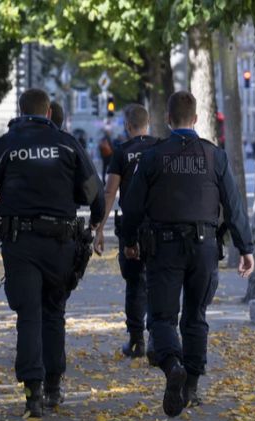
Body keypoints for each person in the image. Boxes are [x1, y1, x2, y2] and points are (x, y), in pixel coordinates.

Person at [0, 88, 104, 417]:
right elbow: (94, 193)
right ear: (48, 113)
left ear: (21, 110)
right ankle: (54, 386)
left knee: (28, 314)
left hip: (20, 242)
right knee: (53, 312)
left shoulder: (6, 145)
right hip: (61, 242)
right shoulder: (67, 144)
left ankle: (32, 391)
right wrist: (96, 219)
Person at [121, 91, 255, 418]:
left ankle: (172, 366)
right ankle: (191, 386)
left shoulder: (153, 156)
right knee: (196, 316)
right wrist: (246, 247)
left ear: (168, 120)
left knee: (162, 317)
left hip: (164, 247)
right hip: (204, 246)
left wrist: (129, 240)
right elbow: (234, 206)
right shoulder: (214, 156)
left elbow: (132, 205)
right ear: (195, 119)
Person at [93, 104, 161, 361]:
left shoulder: (121, 152)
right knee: (157, 282)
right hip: (158, 226)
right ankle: (158, 337)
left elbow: (110, 192)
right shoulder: (160, 147)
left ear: (127, 125)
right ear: (148, 124)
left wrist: (99, 229)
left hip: (130, 225)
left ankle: (136, 340)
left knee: (135, 283)